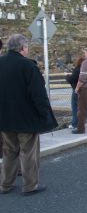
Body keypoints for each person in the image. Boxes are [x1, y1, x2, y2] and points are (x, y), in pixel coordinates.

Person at [0, 34, 57, 195]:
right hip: (26, 118)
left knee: (9, 152)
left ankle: (5, 185)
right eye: (27, 47)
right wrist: (44, 113)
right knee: (28, 152)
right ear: (23, 48)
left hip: (4, 118)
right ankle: (30, 185)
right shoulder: (28, 66)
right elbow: (38, 94)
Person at [65, 57, 87, 129]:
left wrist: (67, 76)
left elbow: (71, 79)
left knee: (77, 108)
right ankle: (75, 123)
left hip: (77, 91)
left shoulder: (78, 69)